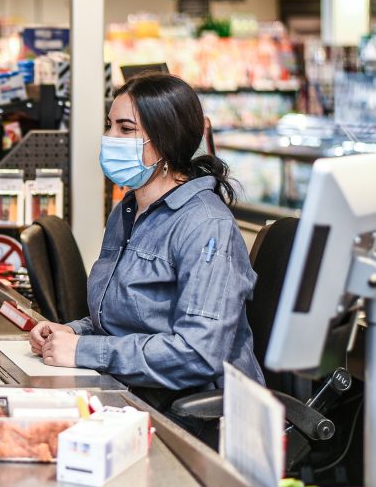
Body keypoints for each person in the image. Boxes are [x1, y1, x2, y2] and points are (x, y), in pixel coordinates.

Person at [28, 73, 263, 409]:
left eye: (126, 129)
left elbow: (198, 354)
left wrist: (84, 351)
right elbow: (125, 321)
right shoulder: (127, 211)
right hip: (135, 392)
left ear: (166, 139)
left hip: (196, 415)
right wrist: (71, 333)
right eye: (110, 126)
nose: (110, 138)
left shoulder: (206, 225)